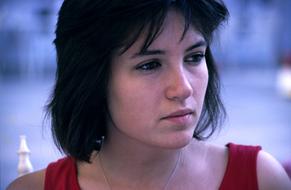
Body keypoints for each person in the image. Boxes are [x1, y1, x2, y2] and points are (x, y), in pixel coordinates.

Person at [7, 0, 291, 189]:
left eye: (194, 57)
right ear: (92, 78)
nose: (183, 88)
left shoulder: (259, 178)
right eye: (150, 64)